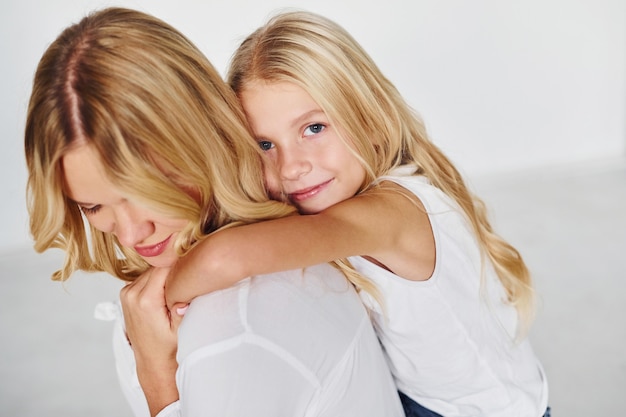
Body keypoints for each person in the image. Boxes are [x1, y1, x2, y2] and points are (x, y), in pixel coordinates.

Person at [164, 10, 550, 417]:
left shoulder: (395, 212)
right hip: (419, 397)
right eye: (264, 145)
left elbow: (227, 257)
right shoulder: (339, 201)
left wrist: (162, 299)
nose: (291, 166)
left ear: (368, 116)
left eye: (314, 128)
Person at [24, 7, 406, 417]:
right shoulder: (266, 258)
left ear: (203, 139)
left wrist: (157, 380)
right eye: (93, 206)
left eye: (146, 192)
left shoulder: (233, 332)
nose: (133, 234)